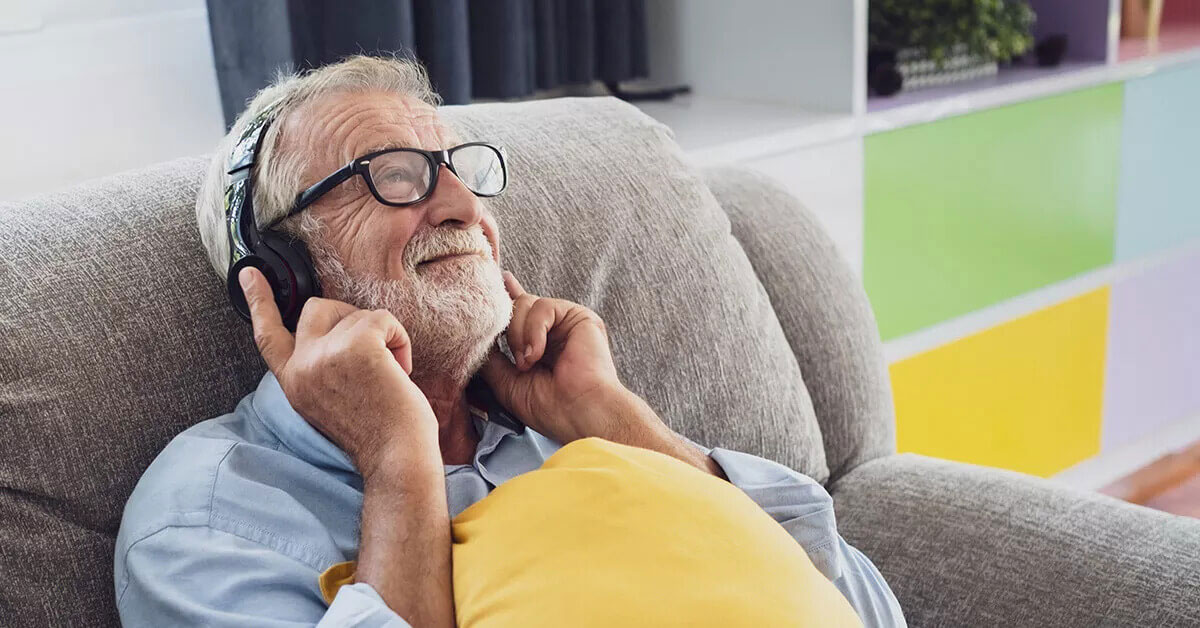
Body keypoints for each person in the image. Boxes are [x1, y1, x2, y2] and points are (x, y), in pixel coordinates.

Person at [114, 55, 906, 627]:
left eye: (458, 170)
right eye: (395, 176)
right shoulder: (202, 521)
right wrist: (399, 465)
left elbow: (860, 607)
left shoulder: (569, 429)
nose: (465, 206)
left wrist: (608, 416)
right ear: (283, 275)